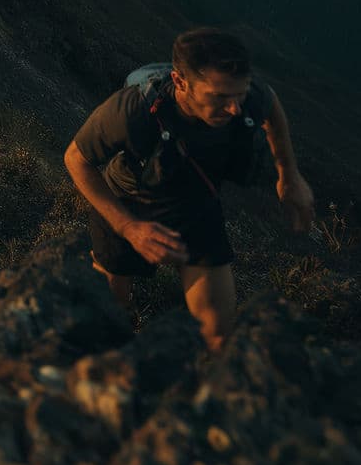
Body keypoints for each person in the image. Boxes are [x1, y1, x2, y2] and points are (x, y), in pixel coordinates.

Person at [64, 27, 315, 352]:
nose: (235, 109)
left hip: (196, 204)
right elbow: (76, 159)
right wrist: (128, 227)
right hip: (128, 203)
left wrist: (289, 175)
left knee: (218, 336)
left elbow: (269, 104)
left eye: (240, 94)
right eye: (220, 97)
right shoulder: (132, 110)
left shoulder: (244, 96)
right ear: (180, 82)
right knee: (112, 318)